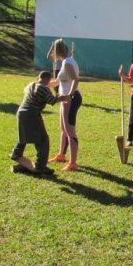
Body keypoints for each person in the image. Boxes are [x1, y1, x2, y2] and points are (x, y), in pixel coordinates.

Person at [9, 71, 65, 174]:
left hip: (21, 112)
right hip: (32, 114)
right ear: (47, 80)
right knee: (43, 140)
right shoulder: (44, 88)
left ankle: (16, 153)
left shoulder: (30, 84)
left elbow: (29, 93)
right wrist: (61, 97)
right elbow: (51, 101)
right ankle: (40, 166)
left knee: (23, 137)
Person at [46, 39, 82, 172]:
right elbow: (58, 81)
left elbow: (75, 80)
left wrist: (70, 95)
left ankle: (73, 163)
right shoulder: (65, 62)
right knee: (63, 128)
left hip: (70, 98)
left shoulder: (67, 63)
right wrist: (44, 84)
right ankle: (61, 155)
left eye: (54, 50)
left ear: (58, 51)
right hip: (64, 98)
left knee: (70, 130)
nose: (52, 54)